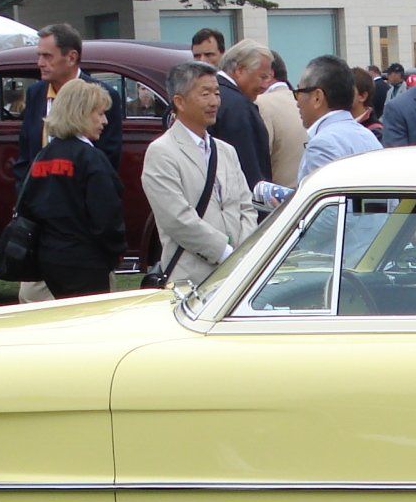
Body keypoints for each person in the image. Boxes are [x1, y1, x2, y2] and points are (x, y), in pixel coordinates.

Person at [141, 60, 254, 289]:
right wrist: (225, 252)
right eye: (205, 94)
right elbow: (177, 219)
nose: (214, 102)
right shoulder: (162, 152)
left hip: (237, 274)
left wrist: (244, 250)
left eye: (216, 93)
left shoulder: (225, 151)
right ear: (179, 102)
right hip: (190, 278)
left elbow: (246, 206)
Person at [16, 77, 124, 300]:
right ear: (81, 113)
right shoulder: (93, 159)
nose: (105, 121)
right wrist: (116, 252)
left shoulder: (43, 156)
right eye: (100, 113)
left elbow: (29, 206)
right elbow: (106, 218)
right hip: (87, 262)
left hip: (48, 260)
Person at [13, 26, 124, 197]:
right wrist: (25, 193)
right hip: (38, 206)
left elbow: (108, 158)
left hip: (80, 207)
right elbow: (26, 152)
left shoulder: (101, 95)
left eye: (47, 56)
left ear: (72, 57)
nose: (40, 63)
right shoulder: (35, 93)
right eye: (39, 56)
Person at [210, 38, 273, 188]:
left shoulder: (213, 95)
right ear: (239, 70)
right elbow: (248, 168)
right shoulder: (238, 107)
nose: (266, 85)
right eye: (262, 77)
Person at [257, 50, 306, 185]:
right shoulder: (303, 100)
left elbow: (261, 157)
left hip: (278, 198)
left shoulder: (262, 103)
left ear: (269, 74)